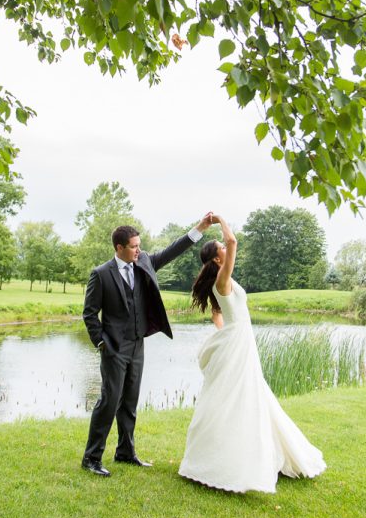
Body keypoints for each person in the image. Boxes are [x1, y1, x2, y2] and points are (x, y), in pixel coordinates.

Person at [179, 216, 326, 494]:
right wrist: (219, 220)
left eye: (222, 245)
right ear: (217, 260)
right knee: (237, 398)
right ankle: (225, 461)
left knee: (250, 395)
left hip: (239, 341)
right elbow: (234, 240)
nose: (225, 246)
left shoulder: (224, 281)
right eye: (219, 247)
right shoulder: (222, 278)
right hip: (238, 343)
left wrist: (226, 332)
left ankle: (265, 453)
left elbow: (218, 314)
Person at [82, 212, 214, 476]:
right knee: (109, 401)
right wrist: (101, 342)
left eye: (138, 245)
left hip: (137, 345)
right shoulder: (101, 274)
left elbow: (173, 250)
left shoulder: (144, 262)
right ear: (119, 248)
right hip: (113, 348)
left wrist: (200, 228)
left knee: (129, 401)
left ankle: (125, 453)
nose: (138, 250)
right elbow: (89, 313)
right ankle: (91, 458)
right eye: (133, 246)